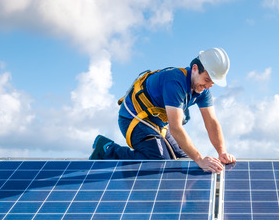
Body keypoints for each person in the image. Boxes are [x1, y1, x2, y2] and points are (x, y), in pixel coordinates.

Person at [90, 47, 235, 173]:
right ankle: (107, 149)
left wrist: (221, 152)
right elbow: (176, 128)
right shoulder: (175, 81)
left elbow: (212, 122)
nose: (209, 85)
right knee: (159, 162)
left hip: (157, 124)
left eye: (213, 82)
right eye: (207, 79)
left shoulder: (203, 90)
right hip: (133, 118)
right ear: (195, 68)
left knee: (184, 161)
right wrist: (200, 158)